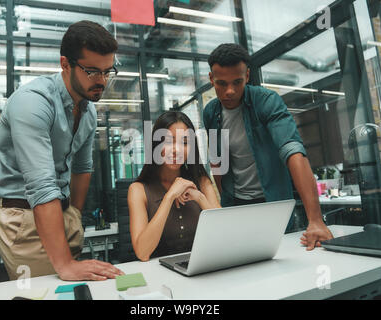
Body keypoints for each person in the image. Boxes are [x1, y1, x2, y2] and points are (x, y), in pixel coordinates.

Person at [0, 20, 124, 280]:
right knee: (45, 295)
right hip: (24, 221)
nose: (102, 81)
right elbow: (41, 186)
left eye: (108, 71)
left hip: (61, 216)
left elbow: (83, 168)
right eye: (92, 71)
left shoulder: (88, 110)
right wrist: (64, 263)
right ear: (65, 64)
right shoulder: (32, 102)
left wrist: (73, 214)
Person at [203, 43, 333, 250]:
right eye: (221, 83)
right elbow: (217, 160)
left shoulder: (266, 101)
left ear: (247, 76)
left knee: (283, 258)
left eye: (237, 82)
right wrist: (224, 201)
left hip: (273, 203)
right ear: (211, 79)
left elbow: (293, 151)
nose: (230, 91)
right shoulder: (210, 112)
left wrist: (315, 219)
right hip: (236, 206)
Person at [128, 111, 221, 261]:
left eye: (184, 143)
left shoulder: (202, 182)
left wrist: (200, 197)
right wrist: (169, 196)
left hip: (201, 269)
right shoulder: (138, 190)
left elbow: (225, 234)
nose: (176, 150)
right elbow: (142, 252)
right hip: (159, 275)